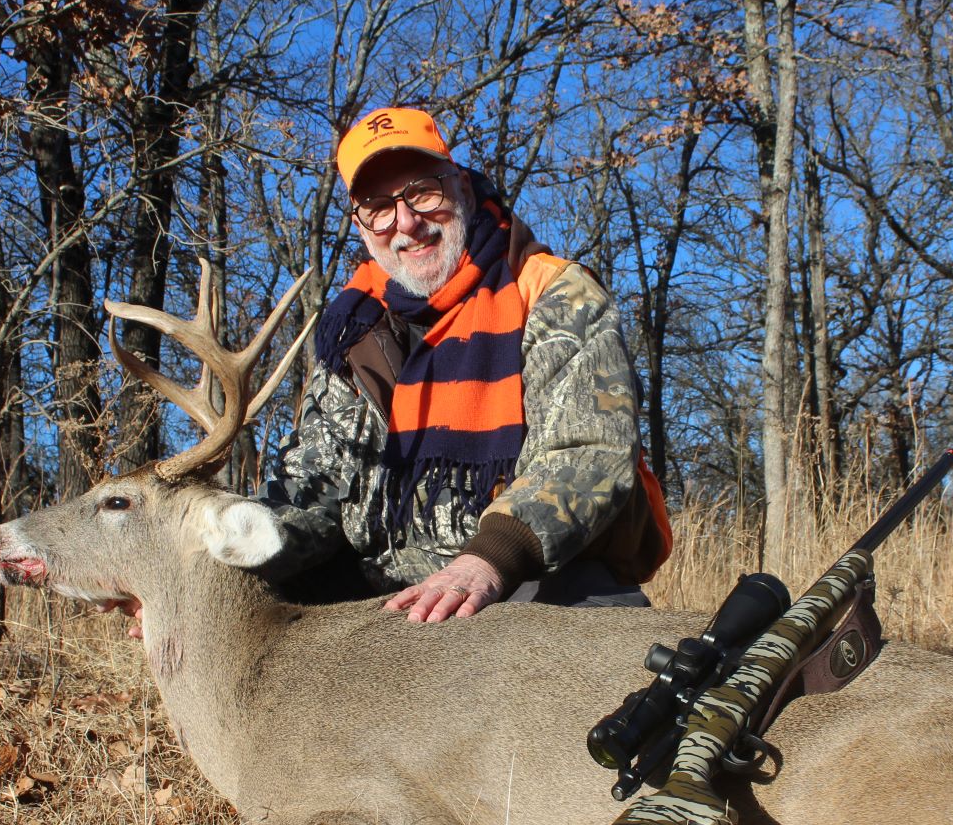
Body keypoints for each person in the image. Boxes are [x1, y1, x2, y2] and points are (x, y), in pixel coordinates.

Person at [258, 106, 670, 622]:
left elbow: (587, 451)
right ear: (361, 225)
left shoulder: (550, 292)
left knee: (587, 646)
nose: (407, 223)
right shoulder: (354, 328)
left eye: (423, 192)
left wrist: (489, 559)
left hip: (520, 577)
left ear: (463, 188)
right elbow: (312, 487)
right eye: (380, 207)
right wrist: (210, 562)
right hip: (389, 593)